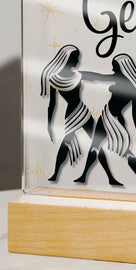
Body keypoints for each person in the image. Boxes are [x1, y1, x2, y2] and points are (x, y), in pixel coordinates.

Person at [75, 53, 136, 188]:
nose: (112, 68)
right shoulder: (134, 88)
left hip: (107, 118)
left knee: (96, 146)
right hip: (117, 119)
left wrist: (78, 74)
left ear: (122, 67)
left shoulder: (120, 79)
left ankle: (84, 176)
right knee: (123, 151)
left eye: (114, 66)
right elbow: (134, 112)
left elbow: (98, 77)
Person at [41, 45, 95, 182]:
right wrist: (49, 125)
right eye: (76, 58)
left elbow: (98, 77)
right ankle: (56, 174)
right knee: (69, 143)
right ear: (69, 59)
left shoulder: (77, 75)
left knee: (96, 142)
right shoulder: (57, 79)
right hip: (73, 114)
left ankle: (104, 176)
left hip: (81, 112)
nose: (78, 61)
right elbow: (52, 104)